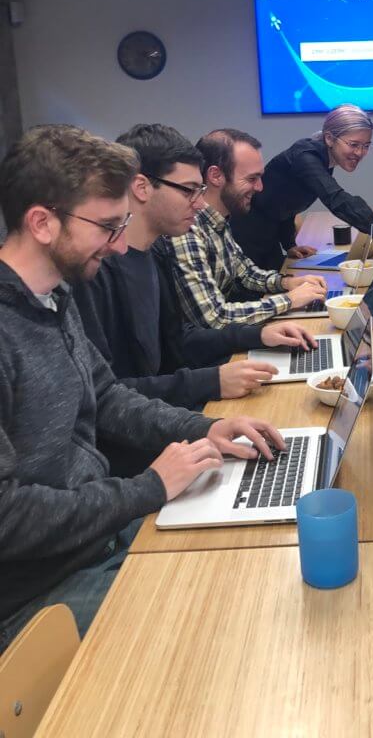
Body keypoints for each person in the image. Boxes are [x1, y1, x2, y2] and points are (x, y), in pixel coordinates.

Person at [0, 124, 285, 652]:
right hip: (36, 593)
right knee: (227, 621)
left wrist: (208, 426)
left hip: (94, 539)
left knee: (251, 564)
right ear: (41, 222)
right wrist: (148, 488)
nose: (116, 244)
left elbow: (108, 397)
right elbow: (7, 517)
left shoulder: (53, 300)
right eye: (106, 226)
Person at [72, 124, 317, 474]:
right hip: (138, 455)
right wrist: (211, 382)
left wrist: (257, 335)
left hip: (169, 426)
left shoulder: (155, 252)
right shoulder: (94, 275)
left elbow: (178, 341)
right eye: (189, 190)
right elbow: (109, 397)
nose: (201, 203)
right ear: (142, 187)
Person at [168, 128, 327, 329]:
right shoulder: (187, 229)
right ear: (216, 176)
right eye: (252, 179)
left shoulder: (219, 219)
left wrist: (288, 283)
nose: (260, 187)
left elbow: (245, 273)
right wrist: (289, 301)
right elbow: (214, 317)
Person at [231, 104, 373, 270]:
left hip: (269, 235)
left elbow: (284, 202)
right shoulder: (306, 156)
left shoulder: (324, 159)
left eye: (366, 146)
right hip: (249, 239)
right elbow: (335, 199)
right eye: (353, 144)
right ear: (329, 138)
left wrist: (289, 245)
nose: (359, 153)